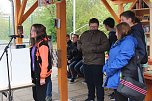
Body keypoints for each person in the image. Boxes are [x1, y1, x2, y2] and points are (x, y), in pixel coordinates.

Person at [103, 22, 138, 101]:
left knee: (121, 98)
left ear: (121, 31)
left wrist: (109, 70)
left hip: (122, 76)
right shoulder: (120, 42)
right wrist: (105, 67)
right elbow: (112, 56)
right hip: (116, 75)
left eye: (116, 31)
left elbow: (122, 60)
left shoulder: (128, 42)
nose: (115, 34)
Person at [78, 18, 109, 101]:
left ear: (98, 26)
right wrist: (80, 47)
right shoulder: (84, 34)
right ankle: (91, 97)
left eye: (95, 27)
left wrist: (95, 48)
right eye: (92, 27)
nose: (93, 28)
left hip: (97, 62)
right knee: (89, 82)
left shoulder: (102, 35)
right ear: (89, 26)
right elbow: (79, 42)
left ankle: (100, 99)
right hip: (86, 62)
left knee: (98, 83)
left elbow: (106, 46)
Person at [30, 24, 52, 101]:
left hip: (41, 76)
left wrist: (42, 77)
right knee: (36, 96)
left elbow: (45, 62)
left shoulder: (43, 45)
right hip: (35, 74)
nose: (31, 32)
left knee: (40, 98)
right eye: (31, 30)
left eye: (33, 30)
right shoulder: (34, 44)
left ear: (38, 32)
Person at [103, 17, 117, 100]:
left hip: (113, 57)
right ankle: (115, 92)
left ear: (107, 26)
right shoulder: (116, 32)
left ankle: (116, 93)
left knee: (114, 75)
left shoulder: (112, 34)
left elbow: (109, 46)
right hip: (115, 56)